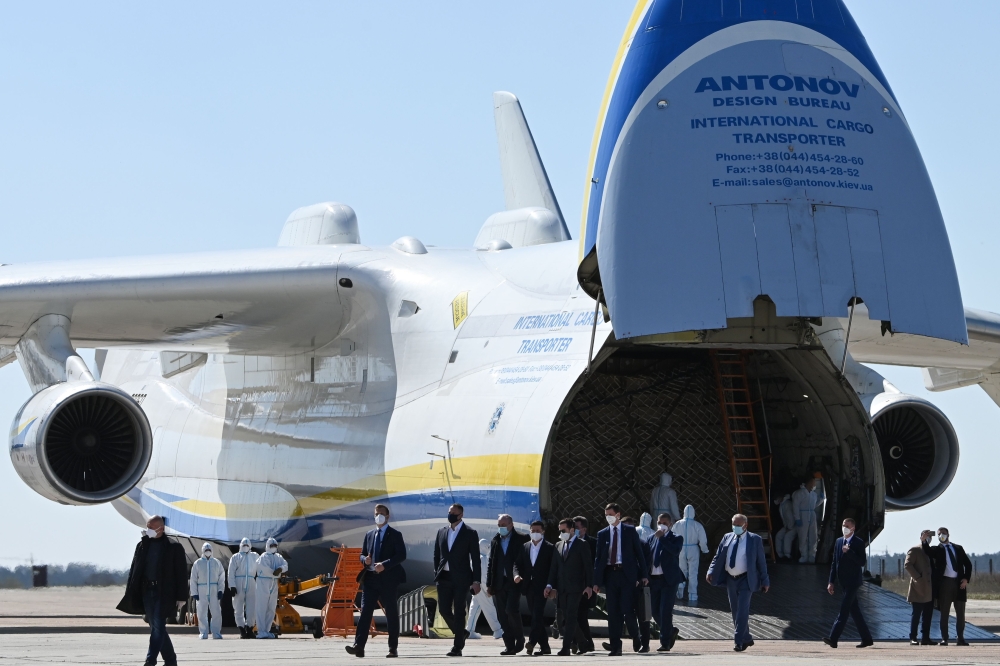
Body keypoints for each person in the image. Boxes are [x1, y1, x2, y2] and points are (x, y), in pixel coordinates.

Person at [117, 515, 188, 666]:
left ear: (160, 529)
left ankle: (150, 661)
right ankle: (170, 661)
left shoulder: (174, 548)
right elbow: (134, 569)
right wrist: (131, 590)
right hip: (147, 591)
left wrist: (182, 596)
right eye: (147, 527)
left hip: (164, 593)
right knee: (156, 627)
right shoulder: (142, 546)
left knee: (158, 626)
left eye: (151, 528)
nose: (147, 530)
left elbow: (181, 574)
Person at [346, 504, 407, 658]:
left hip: (388, 580)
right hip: (371, 579)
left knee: (391, 613)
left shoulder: (395, 535)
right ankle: (359, 646)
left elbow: (401, 555)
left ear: (387, 516)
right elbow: (362, 553)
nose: (378, 516)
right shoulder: (370, 534)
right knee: (365, 612)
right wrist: (364, 560)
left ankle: (393, 648)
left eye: (381, 513)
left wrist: (385, 565)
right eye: (376, 513)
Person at [706, 513, 770, 652]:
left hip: (746, 579)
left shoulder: (755, 539)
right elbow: (717, 556)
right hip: (731, 579)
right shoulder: (727, 537)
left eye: (738, 525)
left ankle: (738, 641)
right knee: (735, 610)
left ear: (745, 525)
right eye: (733, 524)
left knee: (742, 610)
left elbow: (761, 562)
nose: (735, 527)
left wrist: (765, 580)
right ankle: (746, 638)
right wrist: (710, 571)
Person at [592, 503, 647, 656]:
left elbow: (639, 554)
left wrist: (644, 575)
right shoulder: (602, 534)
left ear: (618, 514)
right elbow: (598, 559)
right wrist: (596, 581)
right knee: (613, 613)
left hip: (627, 575)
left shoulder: (629, 531)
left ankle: (636, 636)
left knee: (627, 610)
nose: (608, 517)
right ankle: (616, 646)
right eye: (606, 515)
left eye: (610, 514)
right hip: (610, 575)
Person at [433, 503, 482, 657]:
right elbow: (436, 554)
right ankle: (462, 633)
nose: (450, 514)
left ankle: (457, 647)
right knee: (443, 610)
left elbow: (475, 559)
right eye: (449, 512)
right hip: (444, 577)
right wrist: (437, 571)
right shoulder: (442, 531)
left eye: (453, 513)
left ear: (461, 515)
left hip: (461, 578)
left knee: (459, 611)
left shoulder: (470, 533)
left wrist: (476, 580)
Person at [822, 517, 873, 649]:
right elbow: (834, 563)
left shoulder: (858, 543)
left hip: (853, 582)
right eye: (843, 525)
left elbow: (862, 562)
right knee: (855, 611)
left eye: (847, 526)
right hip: (842, 582)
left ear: (853, 528)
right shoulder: (839, 542)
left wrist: (849, 552)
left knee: (844, 610)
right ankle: (867, 638)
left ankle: (833, 639)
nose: (844, 527)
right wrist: (831, 581)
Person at [546, 518, 594, 656]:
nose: (561, 533)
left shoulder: (582, 544)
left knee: (571, 617)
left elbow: (588, 567)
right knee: (563, 618)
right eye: (560, 530)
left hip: (576, 588)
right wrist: (549, 585)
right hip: (562, 588)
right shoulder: (558, 545)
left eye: (563, 530)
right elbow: (554, 568)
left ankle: (566, 647)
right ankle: (583, 643)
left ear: (572, 530)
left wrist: (589, 585)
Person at [485, 513, 527, 655]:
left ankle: (520, 638)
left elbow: (525, 561)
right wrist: (489, 584)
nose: (501, 528)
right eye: (499, 525)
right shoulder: (495, 540)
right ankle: (509, 645)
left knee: (511, 610)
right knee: (502, 615)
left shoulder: (522, 539)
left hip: (514, 581)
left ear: (511, 525)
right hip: (498, 582)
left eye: (503, 525)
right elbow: (491, 563)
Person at [513, 521, 555, 656]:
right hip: (528, 586)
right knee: (536, 616)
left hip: (542, 587)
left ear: (543, 531)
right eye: (533, 530)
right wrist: (516, 575)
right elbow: (517, 564)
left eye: (538, 530)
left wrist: (550, 585)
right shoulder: (525, 547)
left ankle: (531, 642)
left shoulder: (549, 548)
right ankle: (545, 647)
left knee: (537, 615)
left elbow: (553, 569)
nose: (535, 532)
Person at [928, 527, 973, 646]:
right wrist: (924, 540)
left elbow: (968, 564)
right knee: (944, 612)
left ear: (948, 535)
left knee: (960, 612)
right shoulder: (937, 549)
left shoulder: (958, 548)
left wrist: (966, 579)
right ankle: (945, 638)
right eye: (939, 534)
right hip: (945, 584)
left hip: (959, 584)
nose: (941, 535)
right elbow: (927, 551)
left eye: (943, 534)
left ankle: (960, 638)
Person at [647, 513, 684, 652]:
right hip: (654, 580)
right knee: (655, 611)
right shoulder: (652, 538)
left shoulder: (676, 538)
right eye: (659, 522)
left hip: (669, 580)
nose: (661, 524)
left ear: (670, 524)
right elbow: (648, 558)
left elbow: (675, 551)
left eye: (664, 522)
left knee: (665, 611)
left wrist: (662, 538)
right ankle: (670, 631)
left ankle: (665, 642)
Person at [468, 539, 503, 640]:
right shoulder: (483, 559)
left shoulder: (475, 558)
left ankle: (469, 630)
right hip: (483, 588)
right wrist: (488, 587)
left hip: (476, 587)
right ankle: (497, 630)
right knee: (489, 608)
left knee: (474, 608)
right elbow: (484, 576)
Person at [189, 542, 226, 639]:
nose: (208, 552)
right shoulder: (198, 563)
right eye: (206, 550)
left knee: (216, 612)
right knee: (201, 612)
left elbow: (221, 577)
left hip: (214, 590)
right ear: (202, 551)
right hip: (202, 590)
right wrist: (194, 592)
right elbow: (193, 579)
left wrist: (220, 590)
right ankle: (203, 632)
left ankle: (216, 632)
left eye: (209, 550)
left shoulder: (217, 562)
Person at [572, 516, 598, 653]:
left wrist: (593, 584)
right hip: (572, 586)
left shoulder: (593, 543)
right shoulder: (568, 542)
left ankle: (584, 642)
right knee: (573, 616)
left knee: (581, 615)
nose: (574, 530)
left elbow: (594, 566)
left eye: (576, 528)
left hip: (586, 586)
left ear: (584, 529)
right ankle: (582, 643)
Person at [672, 504, 708, 601]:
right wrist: (704, 550)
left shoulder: (677, 524)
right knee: (693, 572)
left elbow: (672, 537)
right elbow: (703, 540)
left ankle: (680, 589)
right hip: (693, 549)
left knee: (681, 571)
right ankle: (693, 595)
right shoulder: (697, 525)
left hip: (681, 548)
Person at [254, 537, 288, 639]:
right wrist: (277, 573)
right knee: (261, 606)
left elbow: (285, 564)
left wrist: (281, 569)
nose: (273, 548)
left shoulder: (278, 557)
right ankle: (261, 631)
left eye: (275, 546)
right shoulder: (263, 557)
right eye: (271, 546)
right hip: (263, 582)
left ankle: (267, 630)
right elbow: (265, 570)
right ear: (268, 547)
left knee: (271, 607)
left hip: (273, 583)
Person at [905, 530, 934, 646]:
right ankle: (913, 637)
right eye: (927, 536)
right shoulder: (915, 549)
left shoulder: (930, 550)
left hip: (930, 588)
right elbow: (907, 565)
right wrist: (918, 577)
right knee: (916, 614)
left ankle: (926, 637)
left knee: (928, 615)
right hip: (919, 587)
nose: (929, 538)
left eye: (930, 536)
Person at [228, 538, 258, 639]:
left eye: (247, 545)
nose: (245, 546)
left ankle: (250, 628)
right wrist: (232, 585)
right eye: (244, 545)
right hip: (238, 582)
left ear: (250, 546)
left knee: (252, 607)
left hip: (251, 581)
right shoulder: (235, 557)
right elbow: (231, 572)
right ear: (240, 545)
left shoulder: (255, 556)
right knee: (238, 607)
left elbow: (261, 567)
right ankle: (241, 629)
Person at [792, 480, 818, 563]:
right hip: (802, 515)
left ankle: (812, 556)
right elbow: (795, 506)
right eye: (813, 483)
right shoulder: (799, 493)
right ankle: (804, 555)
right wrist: (797, 518)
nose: (814, 485)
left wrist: (821, 499)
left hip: (812, 515)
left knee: (813, 536)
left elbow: (814, 505)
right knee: (803, 537)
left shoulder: (814, 494)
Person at [773, 495, 796, 561]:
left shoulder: (787, 504)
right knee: (778, 536)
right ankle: (780, 555)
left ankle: (787, 555)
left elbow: (790, 517)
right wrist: (787, 526)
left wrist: (790, 527)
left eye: (776, 498)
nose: (775, 500)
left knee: (787, 537)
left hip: (794, 526)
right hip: (787, 526)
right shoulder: (782, 504)